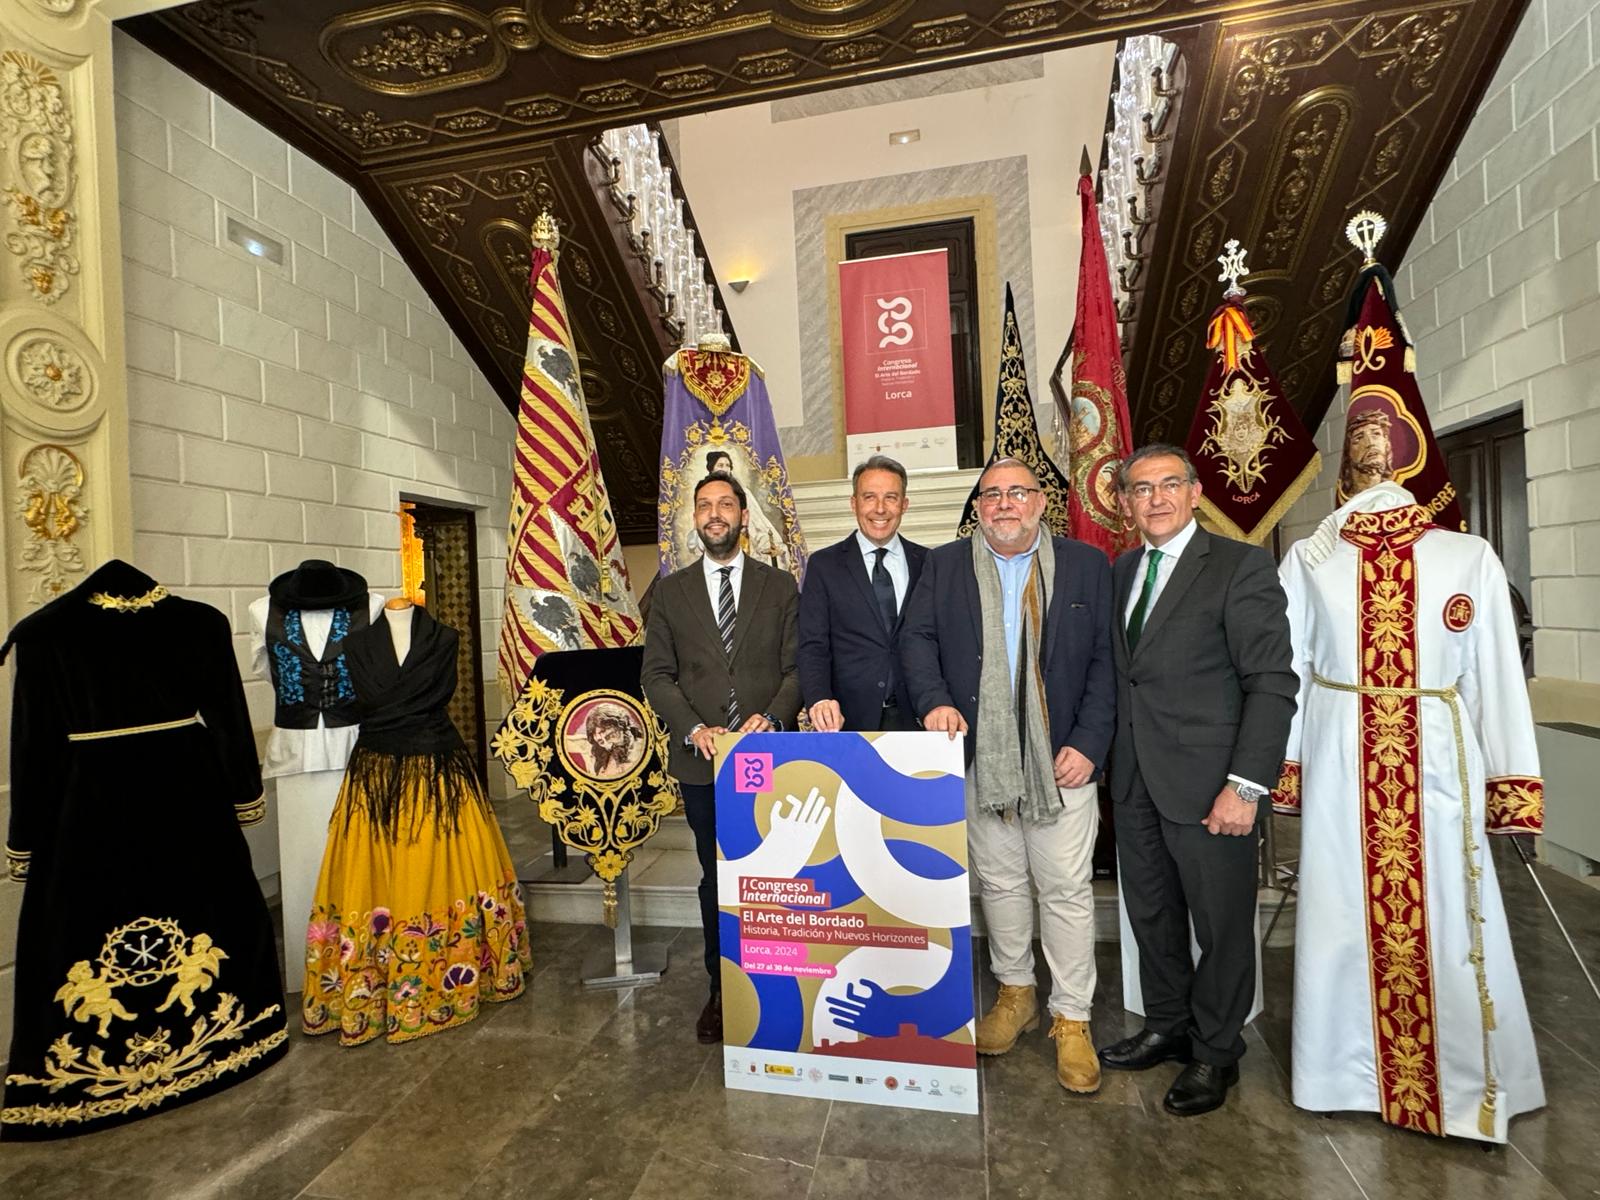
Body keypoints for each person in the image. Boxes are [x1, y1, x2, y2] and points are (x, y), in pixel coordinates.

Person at [1274, 469, 1545, 1142]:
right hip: (1346, 758)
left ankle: (1447, 1077)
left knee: (1450, 911)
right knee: (1343, 908)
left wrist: (1509, 778)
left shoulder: (1469, 555)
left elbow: (1494, 673)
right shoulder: (1311, 557)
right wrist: (1289, 766)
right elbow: (1294, 667)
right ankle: (1343, 1069)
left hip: (1432, 757)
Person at [900, 457, 1114, 1093]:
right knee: (998, 882)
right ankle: (1015, 993)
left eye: (1016, 493)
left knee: (1066, 891)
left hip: (1063, 763)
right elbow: (918, 641)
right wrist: (933, 699)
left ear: (1040, 503)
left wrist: (1090, 743)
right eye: (990, 494)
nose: (1003, 504)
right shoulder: (945, 566)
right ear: (979, 507)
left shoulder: (1085, 565)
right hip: (979, 758)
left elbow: (1106, 660)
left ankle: (1072, 1018)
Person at [1100, 444, 1297, 1116]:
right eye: (1141, 488)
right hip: (1135, 784)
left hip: (1213, 787)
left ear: (1194, 491)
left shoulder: (1240, 567)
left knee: (1220, 927)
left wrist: (1245, 786)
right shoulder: (1123, 570)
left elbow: (1271, 684)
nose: (1154, 498)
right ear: (1125, 502)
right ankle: (1167, 1024)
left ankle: (1217, 1053)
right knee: (1152, 917)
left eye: (1168, 485)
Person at [641, 472, 801, 1044]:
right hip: (702, 762)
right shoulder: (669, 592)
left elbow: (796, 669)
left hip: (769, 757)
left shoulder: (780, 587)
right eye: (704, 505)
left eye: (725, 504)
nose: (715, 513)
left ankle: (780, 981)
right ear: (694, 518)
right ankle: (721, 990)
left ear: (742, 515)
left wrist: (774, 718)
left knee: (775, 875)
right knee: (718, 879)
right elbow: (655, 675)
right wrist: (692, 727)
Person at [798, 455, 927, 732]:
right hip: (848, 722)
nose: (880, 509)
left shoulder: (929, 563)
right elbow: (813, 646)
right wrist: (819, 698)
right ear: (853, 503)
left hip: (918, 720)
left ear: (904, 504)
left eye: (891, 497)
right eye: (869, 497)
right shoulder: (824, 565)